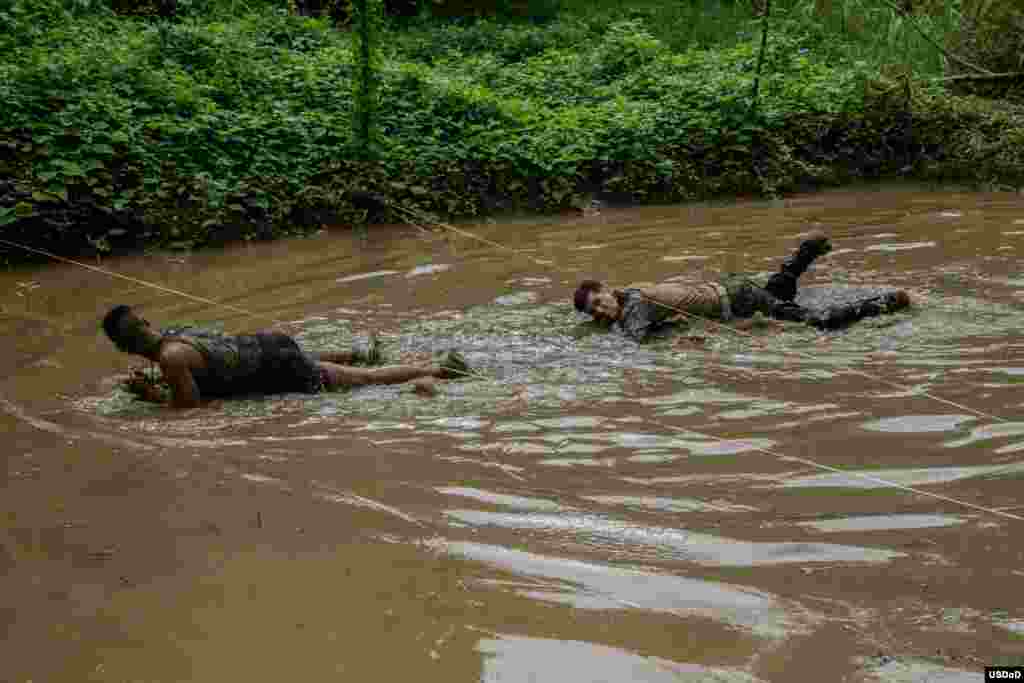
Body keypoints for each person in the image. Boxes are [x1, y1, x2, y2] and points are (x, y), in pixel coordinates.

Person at [102, 305, 471, 408]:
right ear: (148, 323)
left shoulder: (170, 359)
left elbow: (188, 408)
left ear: (122, 348)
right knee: (339, 368)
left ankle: (439, 370)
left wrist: (150, 396)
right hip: (268, 346)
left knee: (364, 383)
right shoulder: (177, 335)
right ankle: (363, 354)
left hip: (276, 365)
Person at [573, 233, 911, 341]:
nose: (600, 310)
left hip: (739, 301)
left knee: (820, 322)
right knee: (778, 295)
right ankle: (803, 255)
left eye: (598, 301)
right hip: (733, 291)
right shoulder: (631, 293)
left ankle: (890, 301)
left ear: (607, 288)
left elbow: (640, 342)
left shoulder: (635, 308)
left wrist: (598, 331)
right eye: (594, 311)